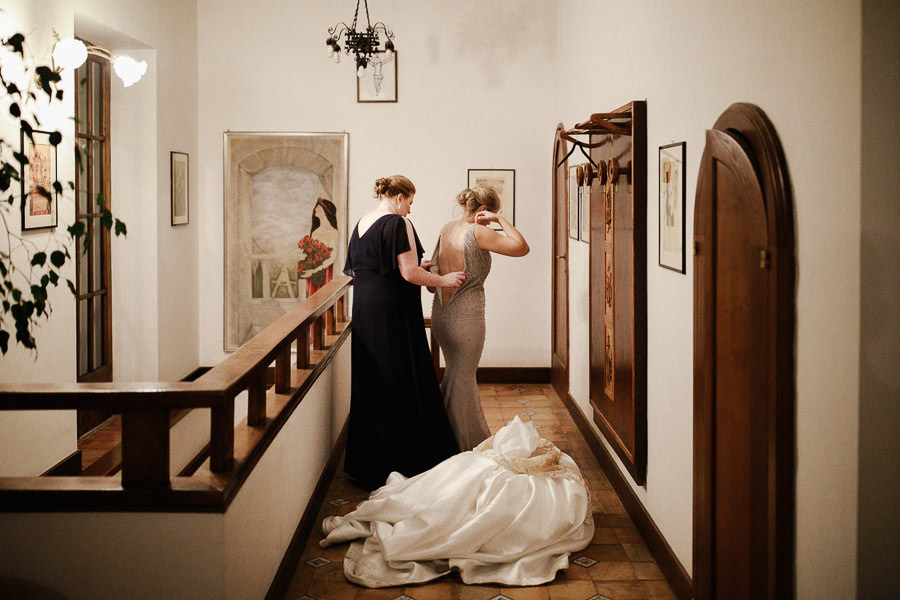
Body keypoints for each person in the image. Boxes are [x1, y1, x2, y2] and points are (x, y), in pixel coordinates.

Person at [321, 415, 594, 587]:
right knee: (457, 490)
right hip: (496, 468)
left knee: (460, 489)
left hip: (505, 470)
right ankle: (424, 517)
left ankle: (422, 517)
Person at [342, 175, 466, 490]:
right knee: (401, 377)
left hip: (366, 310)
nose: (410, 210)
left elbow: (373, 266)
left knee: (374, 380)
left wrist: (417, 266)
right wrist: (446, 279)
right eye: (410, 202)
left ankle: (370, 462)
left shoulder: (361, 224)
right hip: (392, 313)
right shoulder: (398, 224)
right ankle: (408, 459)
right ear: (399, 198)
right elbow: (409, 273)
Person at [429, 185, 529, 450]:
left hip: (440, 312)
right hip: (467, 316)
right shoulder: (479, 231)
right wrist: (499, 220)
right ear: (482, 210)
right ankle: (461, 447)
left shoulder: (446, 229)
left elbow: (432, 282)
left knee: (456, 375)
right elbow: (521, 247)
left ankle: (442, 437)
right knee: (462, 378)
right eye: (492, 212)